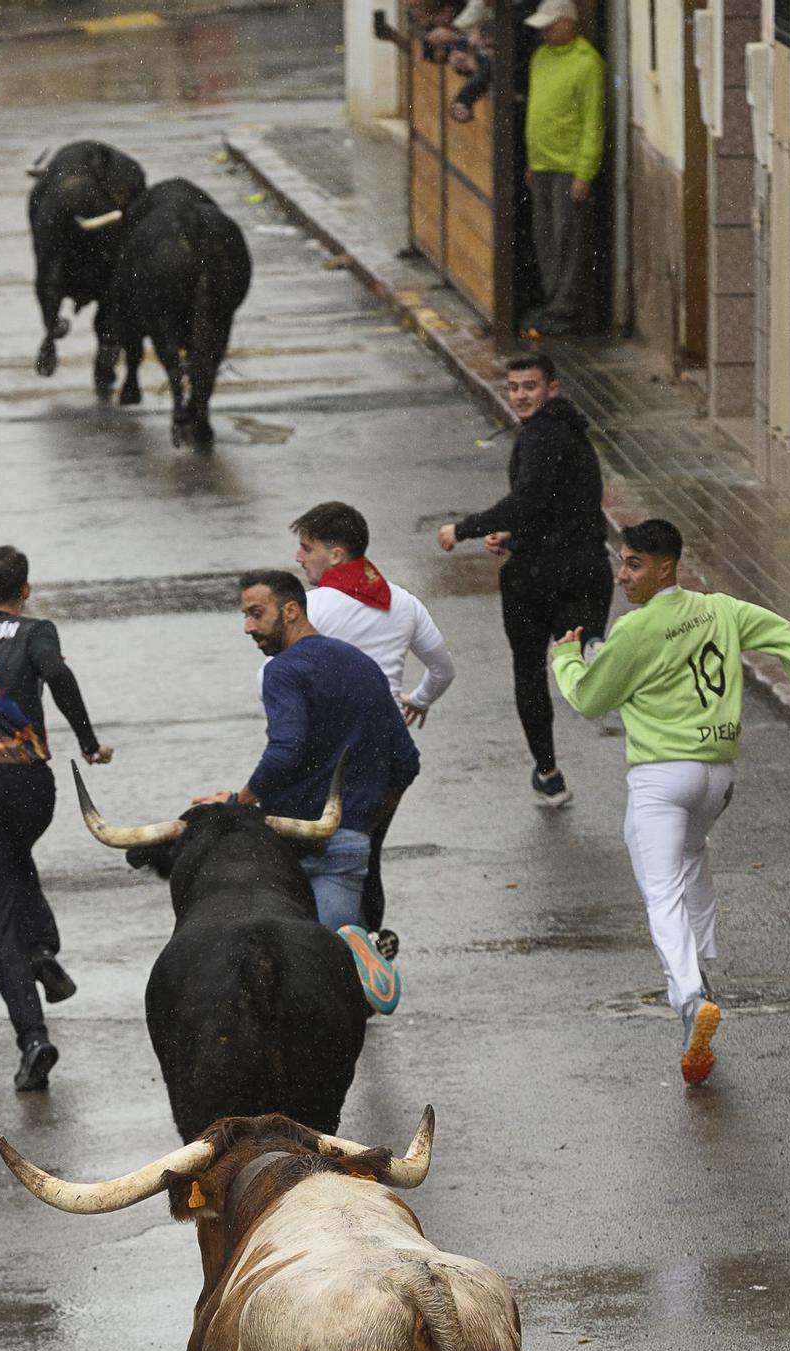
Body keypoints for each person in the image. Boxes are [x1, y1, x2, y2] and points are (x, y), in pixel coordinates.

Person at [551, 519, 790, 1087]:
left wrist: (567, 658)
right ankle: (703, 960)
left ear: (665, 568)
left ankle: (690, 997)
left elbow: (589, 700)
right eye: (622, 563)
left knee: (661, 891)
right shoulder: (722, 610)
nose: (622, 575)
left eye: (633, 565)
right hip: (717, 777)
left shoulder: (634, 629)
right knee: (691, 851)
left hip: (661, 779)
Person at [0, 545, 113, 1092]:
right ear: (26, 590)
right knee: (14, 856)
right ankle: (42, 949)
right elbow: (58, 675)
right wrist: (88, 742)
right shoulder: (36, 631)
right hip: (30, 788)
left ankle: (33, 1039)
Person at [437, 348, 612, 807]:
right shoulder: (572, 431)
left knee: (529, 670)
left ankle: (548, 773)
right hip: (587, 567)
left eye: (529, 386)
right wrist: (513, 538)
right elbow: (556, 506)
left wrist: (464, 529)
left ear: (552, 388)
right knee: (581, 652)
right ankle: (594, 650)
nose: (519, 396)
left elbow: (526, 500)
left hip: (539, 578)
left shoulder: (540, 435)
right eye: (513, 387)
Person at [292, 499, 455, 952]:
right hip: (386, 755)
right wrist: (418, 700)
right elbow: (443, 669)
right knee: (366, 852)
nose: (299, 558)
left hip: (327, 755)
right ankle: (369, 951)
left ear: (336, 554)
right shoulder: (403, 602)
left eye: (307, 548)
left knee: (320, 858)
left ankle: (330, 954)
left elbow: (278, 676)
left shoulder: (311, 607)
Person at [221, 570, 420, 933]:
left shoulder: (282, 671)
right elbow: (405, 761)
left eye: (256, 614)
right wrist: (361, 822)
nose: (248, 628)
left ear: (291, 611)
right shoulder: (361, 663)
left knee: (272, 954)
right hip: (348, 847)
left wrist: (238, 803)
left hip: (290, 847)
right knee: (341, 954)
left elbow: (286, 750)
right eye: (245, 616)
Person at [522, 0, 605, 335]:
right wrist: (532, 161)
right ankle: (552, 300)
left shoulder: (587, 63)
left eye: (550, 25)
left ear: (569, 23)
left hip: (568, 166)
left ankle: (565, 308)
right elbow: (537, 109)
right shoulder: (541, 57)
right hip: (542, 163)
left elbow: (592, 122)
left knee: (567, 239)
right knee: (544, 237)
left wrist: (584, 173)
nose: (545, 32)